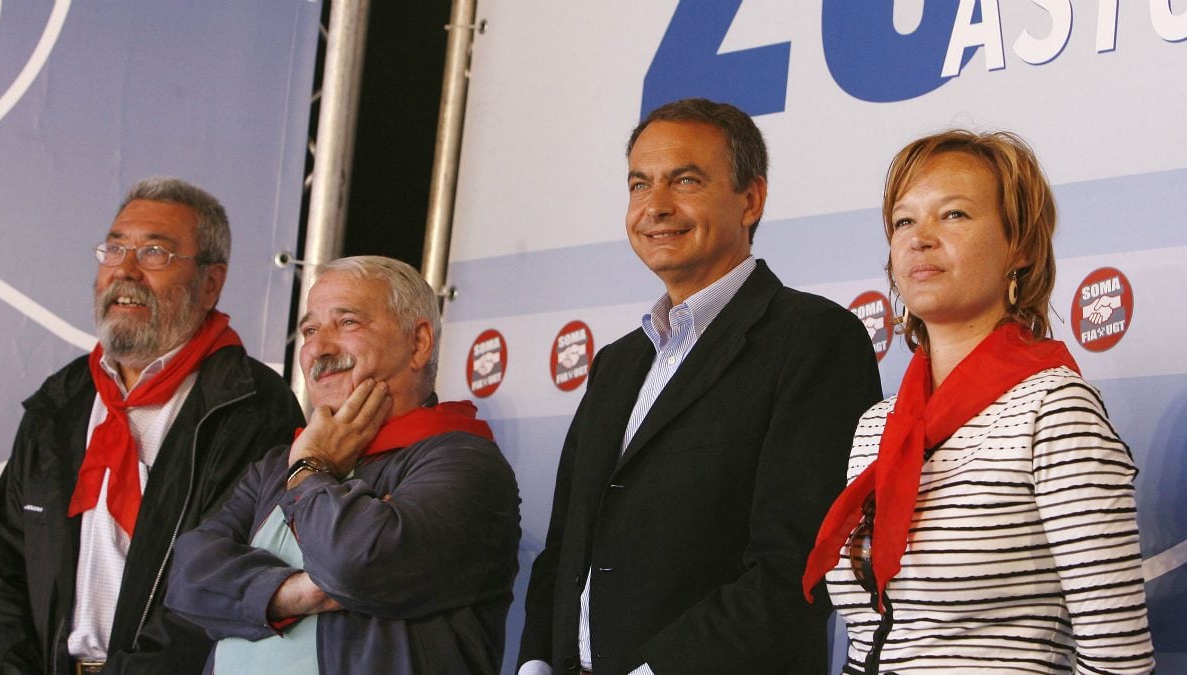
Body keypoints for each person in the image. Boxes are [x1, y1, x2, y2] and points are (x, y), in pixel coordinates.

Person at [518, 98, 883, 675]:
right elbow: (565, 547)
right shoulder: (617, 363)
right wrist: (536, 661)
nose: (655, 207)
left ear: (751, 199)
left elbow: (798, 565)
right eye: (640, 185)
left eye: (684, 180)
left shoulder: (814, 339)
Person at [803, 130, 1156, 674]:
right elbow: (869, 643)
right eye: (903, 221)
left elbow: (1118, 661)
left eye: (954, 215)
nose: (920, 238)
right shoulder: (878, 426)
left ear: (1020, 248)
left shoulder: (1055, 410)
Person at [0, 177, 304, 674]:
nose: (126, 271)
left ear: (211, 282)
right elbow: (2, 556)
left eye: (154, 252)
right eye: (114, 249)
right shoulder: (62, 399)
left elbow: (230, 581)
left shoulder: (251, 407)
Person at [165, 256, 520, 674]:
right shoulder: (277, 466)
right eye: (310, 330)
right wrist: (295, 592)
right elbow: (189, 577)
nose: (318, 348)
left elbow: (358, 566)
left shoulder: (464, 462)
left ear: (418, 343)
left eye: (347, 322)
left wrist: (312, 469)